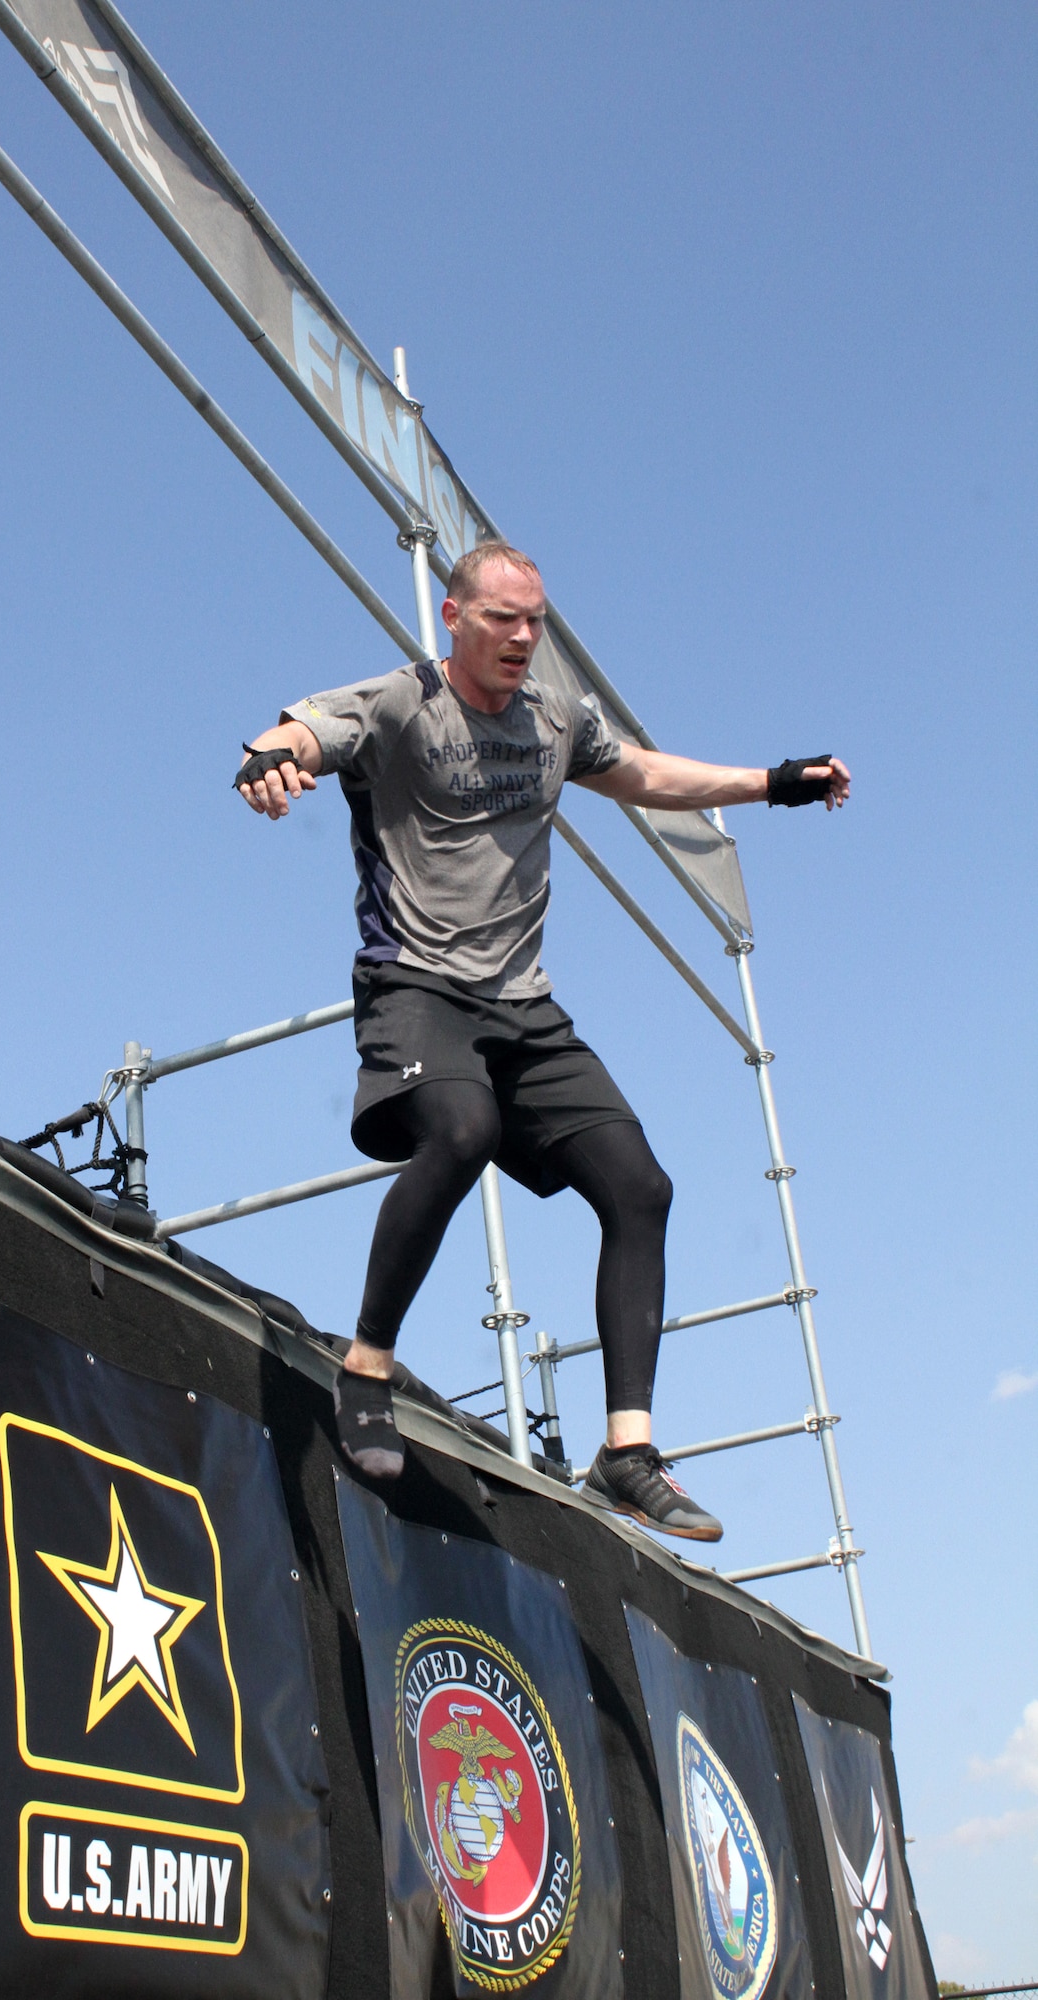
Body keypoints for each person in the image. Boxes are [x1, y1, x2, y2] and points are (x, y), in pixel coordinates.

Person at [234, 543, 848, 1540]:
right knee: (463, 1127)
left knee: (640, 1186)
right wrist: (271, 760)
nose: (522, 638)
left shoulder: (555, 720)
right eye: (502, 618)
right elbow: (301, 729)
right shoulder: (401, 702)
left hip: (524, 1010)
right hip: (416, 988)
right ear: (454, 614)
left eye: (535, 621)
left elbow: (645, 772)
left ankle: (628, 1451)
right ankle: (366, 1369)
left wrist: (772, 781)